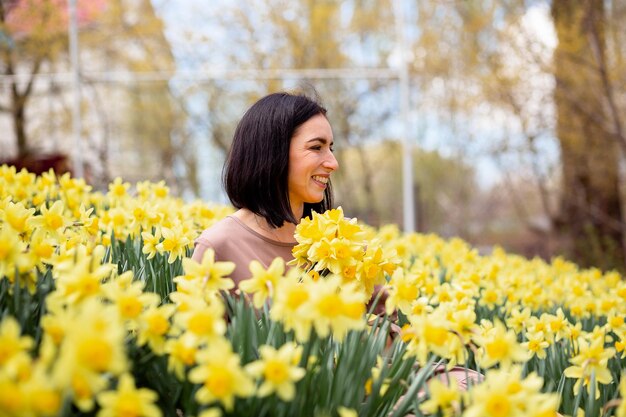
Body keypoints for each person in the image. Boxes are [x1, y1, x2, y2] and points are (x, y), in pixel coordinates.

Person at [192, 92, 338, 283]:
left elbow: (382, 312)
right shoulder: (218, 247)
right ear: (272, 152)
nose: (333, 163)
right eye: (316, 147)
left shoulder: (338, 242)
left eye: (331, 149)